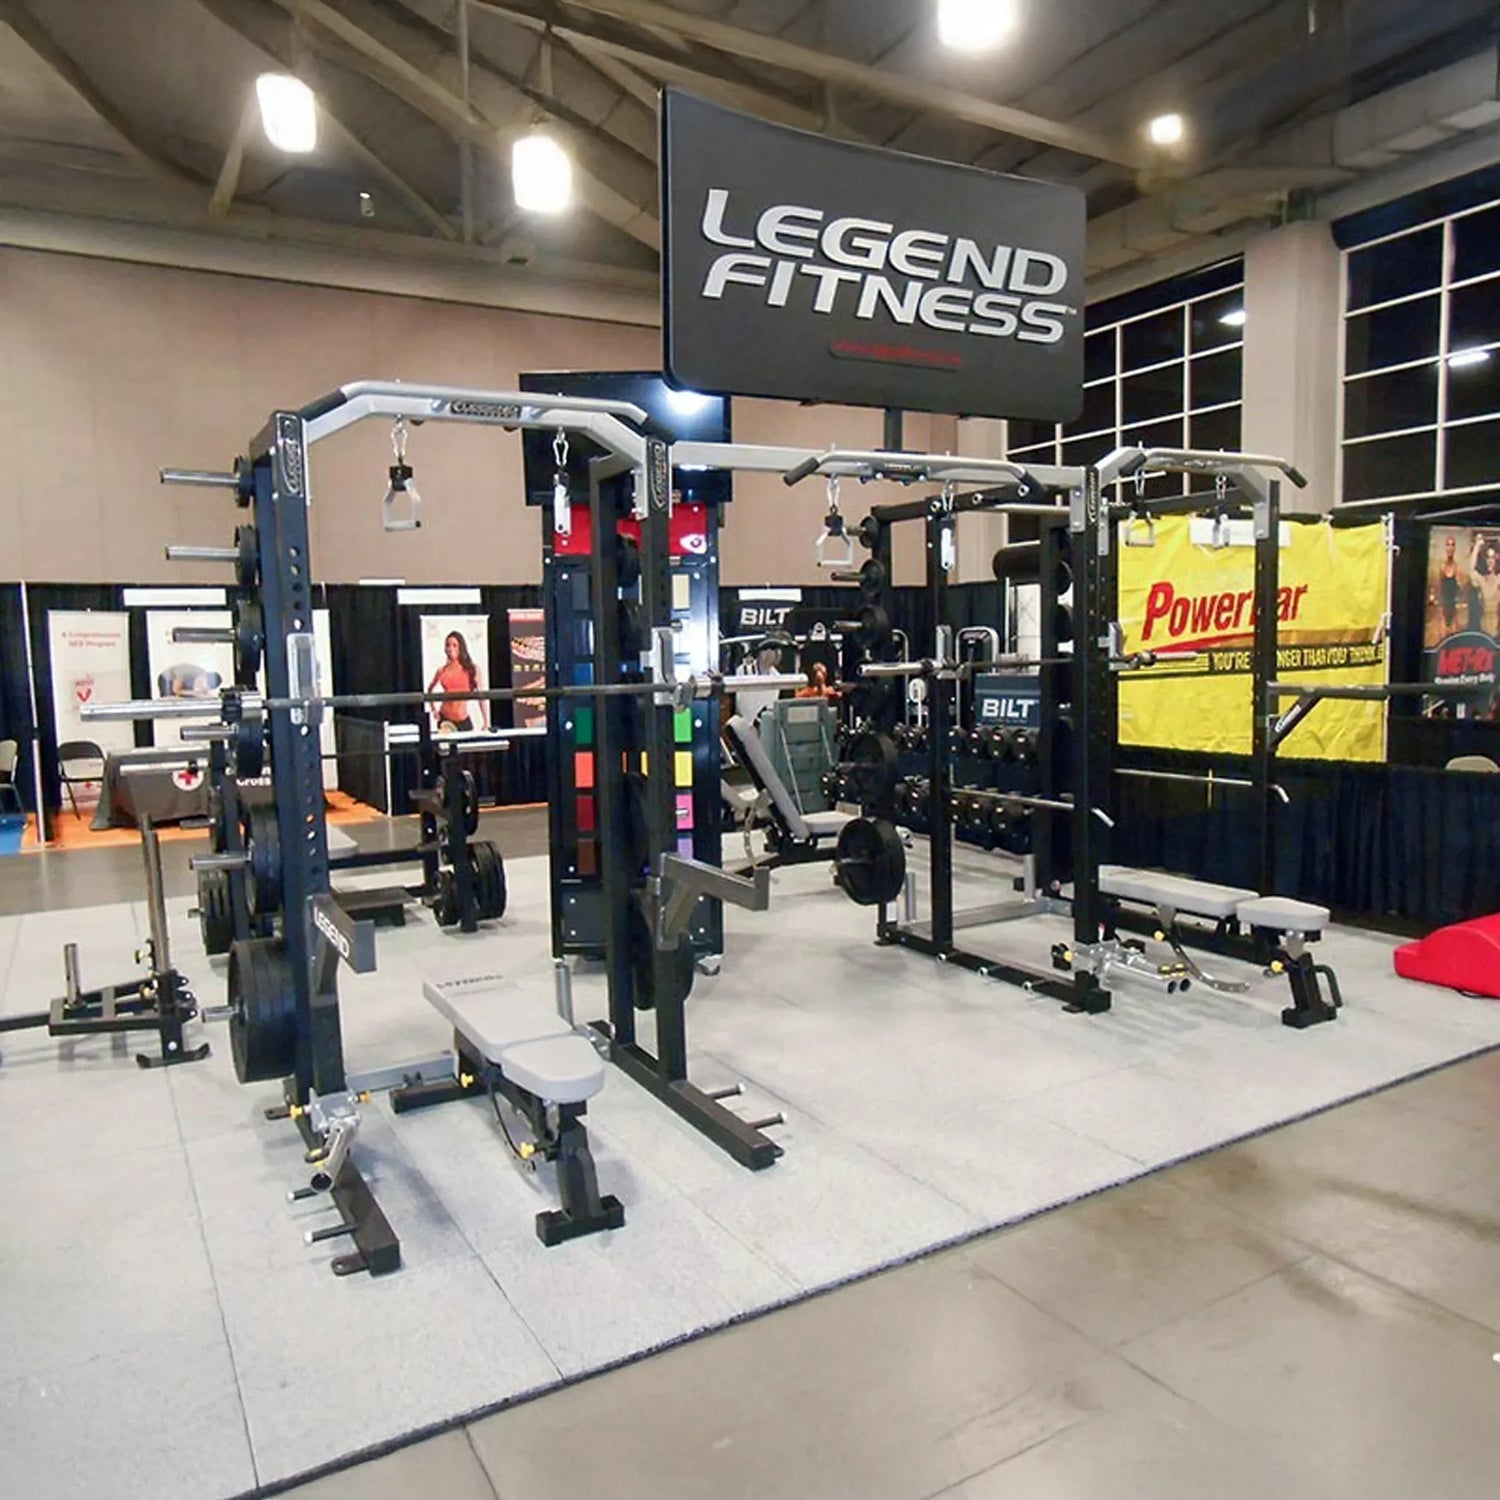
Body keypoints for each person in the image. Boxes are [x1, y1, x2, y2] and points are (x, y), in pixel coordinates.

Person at [427, 630, 488, 732]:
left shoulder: (472, 669)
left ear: (461, 648)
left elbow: (481, 696)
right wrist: (434, 710)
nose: (451, 648)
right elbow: (429, 690)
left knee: (465, 747)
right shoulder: (442, 670)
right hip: (445, 720)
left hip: (463, 720)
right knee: (446, 746)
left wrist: (486, 721)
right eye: (448, 645)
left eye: (454, 645)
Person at [1470, 533, 1500, 637]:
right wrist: (1477, 546)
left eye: (1492, 557)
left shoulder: (1498, 579)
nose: (1490, 561)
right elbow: (1471, 570)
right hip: (1483, 630)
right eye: (1488, 557)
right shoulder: (1481, 580)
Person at [1435, 533, 1462, 634]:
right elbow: (1439, 588)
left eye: (1452, 545)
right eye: (1448, 545)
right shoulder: (1441, 567)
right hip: (1443, 607)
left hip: (1454, 607)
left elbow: (1461, 589)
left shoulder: (1457, 567)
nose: (1450, 547)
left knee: (1454, 634)